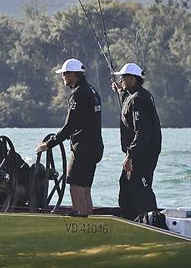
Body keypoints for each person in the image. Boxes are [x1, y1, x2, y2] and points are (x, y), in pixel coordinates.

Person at [36, 58, 102, 215]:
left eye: (65, 74)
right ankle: (89, 223)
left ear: (73, 74)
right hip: (95, 147)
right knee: (85, 187)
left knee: (75, 185)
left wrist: (49, 144)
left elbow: (70, 125)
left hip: (83, 149)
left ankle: (80, 222)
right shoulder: (93, 91)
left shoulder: (78, 94)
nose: (63, 77)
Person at [111, 63, 162, 220]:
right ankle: (130, 219)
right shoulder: (134, 95)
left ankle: (153, 221)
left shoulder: (139, 98)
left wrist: (131, 155)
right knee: (126, 185)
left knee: (141, 188)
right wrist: (121, 91)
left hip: (142, 153)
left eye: (124, 77)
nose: (121, 79)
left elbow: (143, 132)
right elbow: (129, 107)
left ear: (134, 78)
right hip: (137, 152)